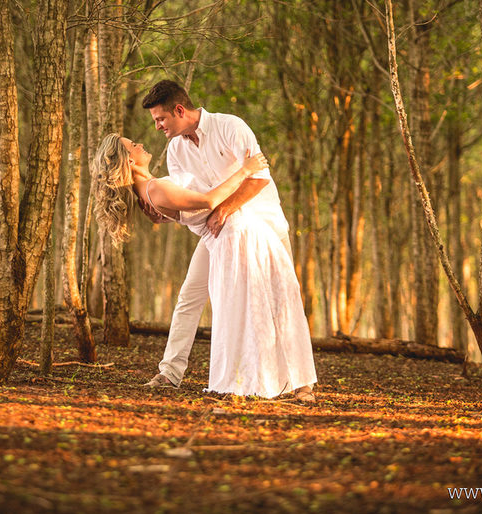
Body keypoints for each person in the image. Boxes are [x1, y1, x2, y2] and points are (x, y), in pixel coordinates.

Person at [92, 132, 317, 400]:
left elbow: (185, 204)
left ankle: (177, 372)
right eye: (133, 145)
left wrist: (170, 214)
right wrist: (245, 170)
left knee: (198, 299)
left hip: (218, 233)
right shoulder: (153, 189)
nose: (140, 144)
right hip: (225, 232)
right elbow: (209, 201)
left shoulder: (151, 188)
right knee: (260, 298)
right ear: (129, 159)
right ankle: (267, 376)